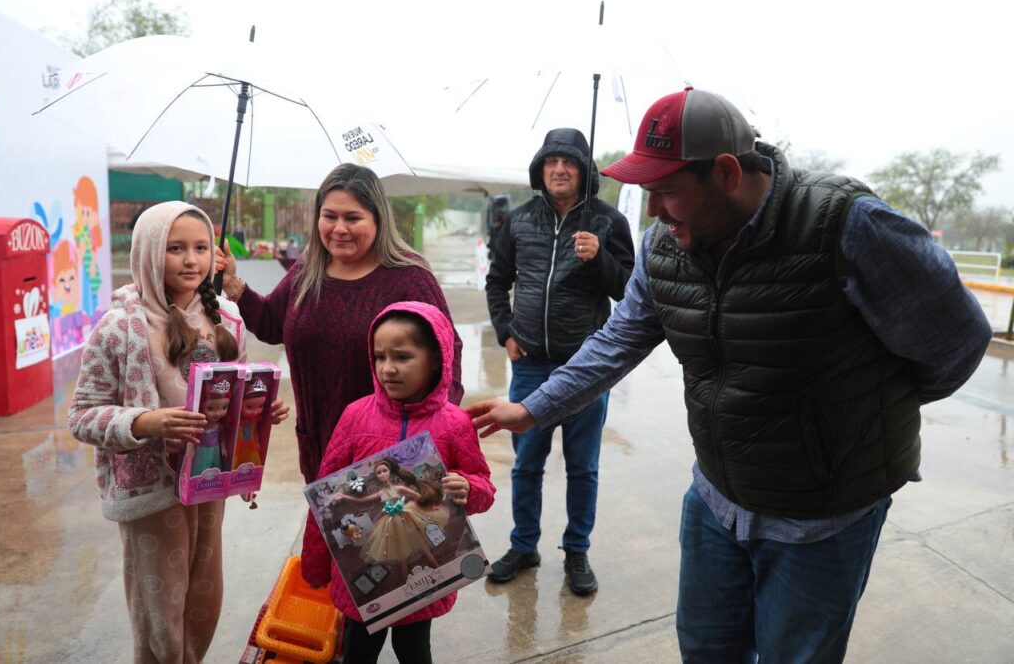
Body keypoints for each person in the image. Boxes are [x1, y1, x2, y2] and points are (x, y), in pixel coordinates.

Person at [469, 87, 994, 662]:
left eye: (666, 192)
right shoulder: (663, 249)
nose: (652, 212)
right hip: (717, 501)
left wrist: (862, 416)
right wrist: (533, 407)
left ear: (724, 173)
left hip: (821, 519)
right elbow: (619, 338)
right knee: (706, 649)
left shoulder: (845, 224)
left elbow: (957, 340)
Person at [67, 201, 290, 663]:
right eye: (175, 248)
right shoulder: (119, 328)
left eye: (200, 248)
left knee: (203, 602)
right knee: (160, 612)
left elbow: (237, 397)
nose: (191, 260)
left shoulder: (227, 319)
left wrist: (259, 412)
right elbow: (83, 415)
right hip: (151, 492)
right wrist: (145, 422)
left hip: (208, 481)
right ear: (148, 253)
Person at [217, 163, 464, 484]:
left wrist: (427, 432)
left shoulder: (409, 277)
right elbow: (270, 324)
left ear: (378, 219)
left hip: (390, 454)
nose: (339, 228)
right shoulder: (309, 269)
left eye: (353, 218)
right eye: (329, 216)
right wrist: (233, 282)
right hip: (319, 445)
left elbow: (448, 357)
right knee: (330, 530)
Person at [484, 127, 635, 595]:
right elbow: (496, 279)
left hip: (586, 368)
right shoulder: (519, 220)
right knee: (527, 463)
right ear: (540, 168)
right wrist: (506, 332)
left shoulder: (608, 223)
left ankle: (577, 552)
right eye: (551, 161)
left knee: (582, 466)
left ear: (584, 170)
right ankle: (524, 545)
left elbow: (629, 291)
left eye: (569, 162)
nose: (560, 169)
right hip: (530, 364)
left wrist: (598, 259)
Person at [301, 301, 494, 664]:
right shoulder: (355, 416)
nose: (388, 369)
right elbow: (325, 497)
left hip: (423, 568)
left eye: (403, 356)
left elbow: (482, 484)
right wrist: (313, 564)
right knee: (357, 651)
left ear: (436, 358)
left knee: (414, 650)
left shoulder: (455, 424)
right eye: (379, 357)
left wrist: (468, 487)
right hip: (362, 565)